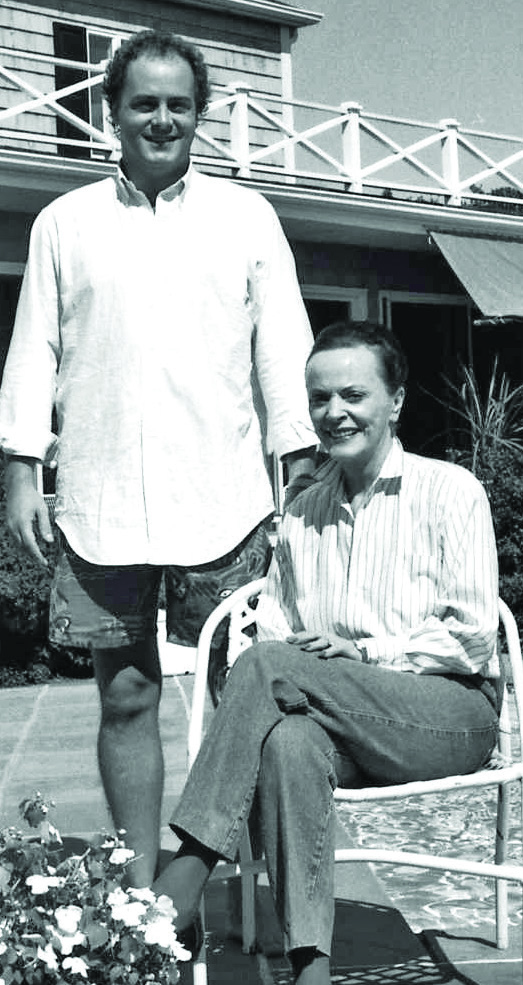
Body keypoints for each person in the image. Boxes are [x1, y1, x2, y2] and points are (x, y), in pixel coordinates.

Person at [0, 30, 317, 888]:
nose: (163, 118)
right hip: (101, 502)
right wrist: (22, 468)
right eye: (144, 102)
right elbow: (34, 350)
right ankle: (145, 894)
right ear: (113, 111)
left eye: (179, 103)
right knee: (127, 696)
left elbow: (283, 349)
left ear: (198, 114)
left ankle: (240, 876)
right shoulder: (63, 223)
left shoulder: (246, 216)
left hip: (228, 498)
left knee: (242, 707)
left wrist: (299, 465)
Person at [153, 320, 500, 984]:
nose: (333, 412)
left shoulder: (449, 491)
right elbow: (276, 636)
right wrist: (317, 670)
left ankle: (184, 872)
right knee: (285, 741)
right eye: (319, 398)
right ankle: (311, 966)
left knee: (269, 664)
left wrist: (362, 651)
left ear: (395, 400)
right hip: (343, 724)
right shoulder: (302, 515)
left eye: (353, 394)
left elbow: (470, 636)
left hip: (448, 715)